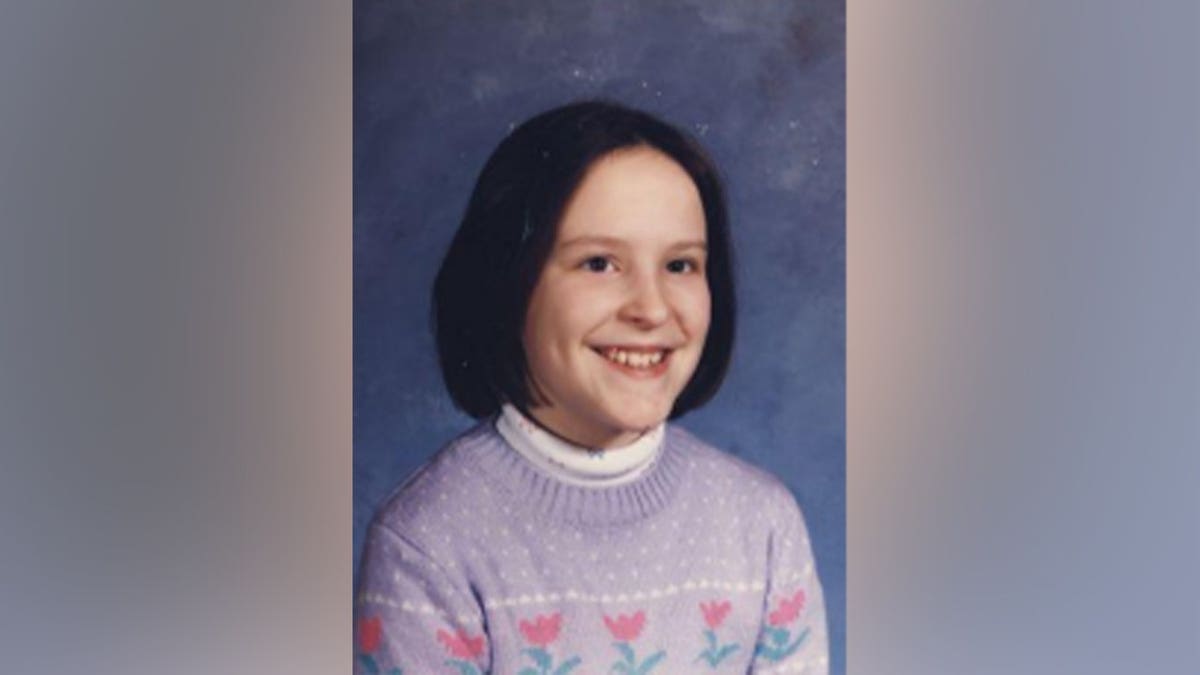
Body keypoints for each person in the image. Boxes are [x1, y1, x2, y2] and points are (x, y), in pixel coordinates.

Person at [355, 100, 828, 674]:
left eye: (680, 265)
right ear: (508, 284)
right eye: (600, 263)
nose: (652, 309)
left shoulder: (762, 526)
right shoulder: (427, 546)